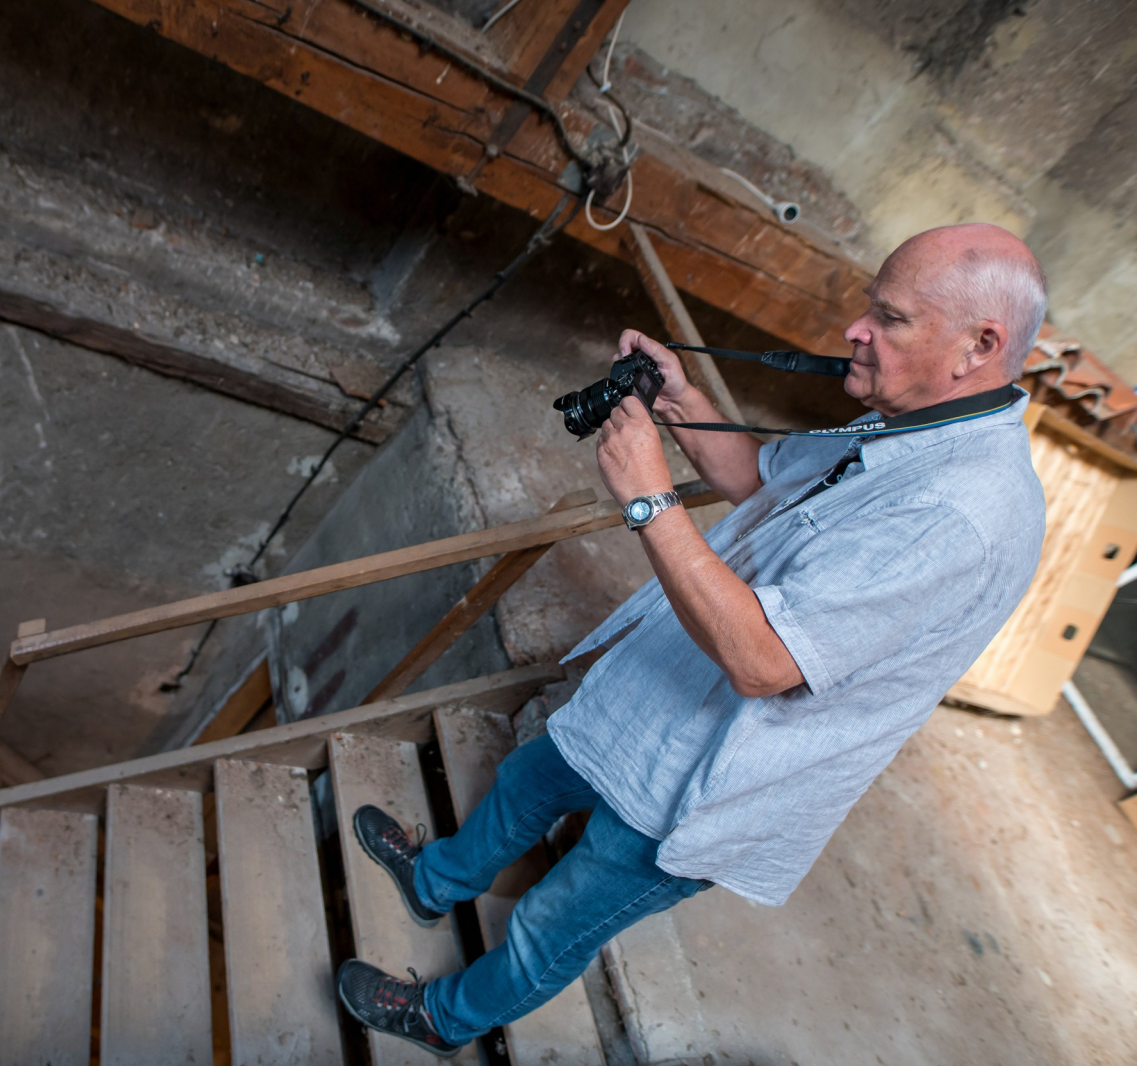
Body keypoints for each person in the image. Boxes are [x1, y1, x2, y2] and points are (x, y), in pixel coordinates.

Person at [335, 223, 1050, 1056]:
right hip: (666, 691)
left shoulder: (961, 515)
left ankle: (444, 1019)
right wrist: (687, 409)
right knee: (531, 777)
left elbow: (763, 662)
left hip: (723, 775)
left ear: (979, 346)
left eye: (887, 318)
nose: (855, 329)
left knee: (553, 921)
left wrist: (648, 499)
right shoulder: (919, 421)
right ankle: (435, 881)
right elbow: (760, 483)